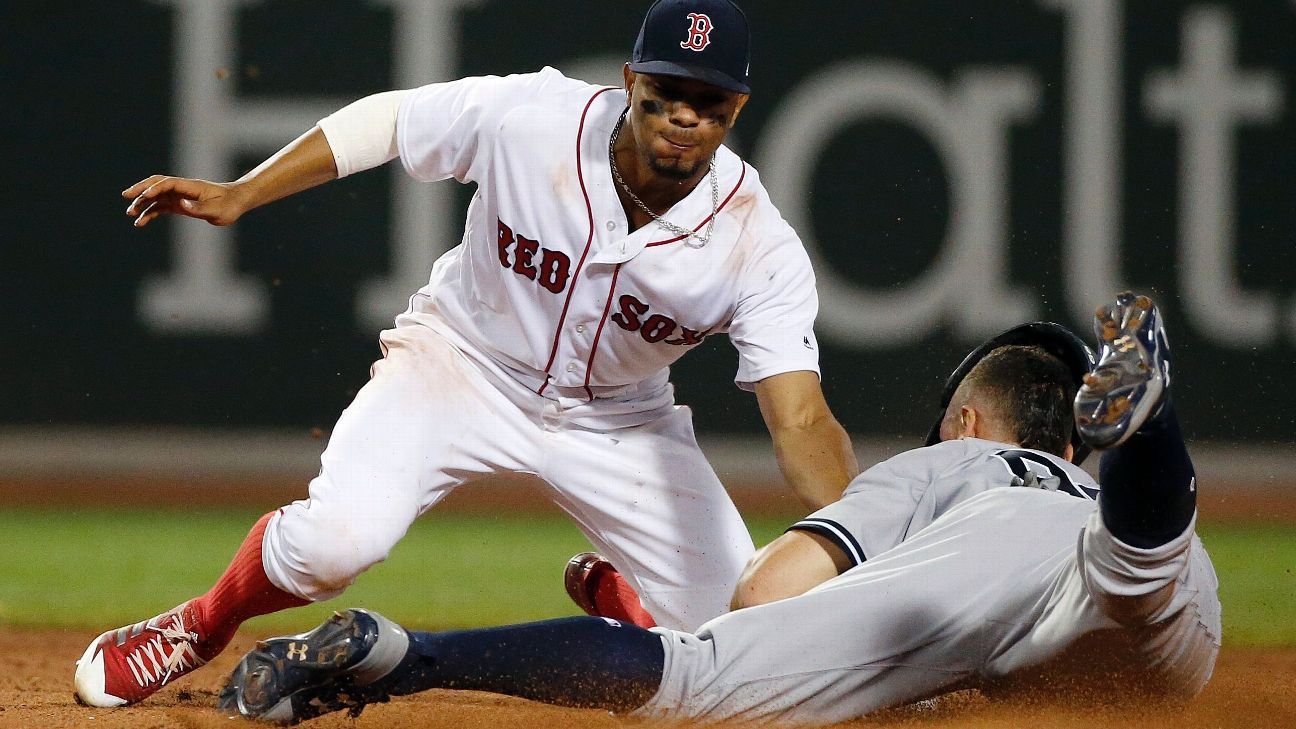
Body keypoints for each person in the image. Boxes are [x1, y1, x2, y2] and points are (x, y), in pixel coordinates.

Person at [73, 0, 860, 709]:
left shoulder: (757, 241)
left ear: (738, 106)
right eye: (667, 91)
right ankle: (200, 624)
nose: (684, 114)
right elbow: (392, 120)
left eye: (709, 99)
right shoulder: (535, 118)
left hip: (619, 420)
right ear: (629, 80)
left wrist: (858, 549)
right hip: (459, 364)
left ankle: (632, 600)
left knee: (746, 641)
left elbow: (800, 419)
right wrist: (245, 190)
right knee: (333, 544)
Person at [217, 292, 1221, 726]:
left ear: (965, 413)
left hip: (987, 559)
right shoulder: (1080, 482)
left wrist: (682, 623)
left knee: (702, 681)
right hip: (1154, 551)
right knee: (1139, 587)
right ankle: (1155, 433)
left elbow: (767, 591)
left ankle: (406, 656)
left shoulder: (943, 470)